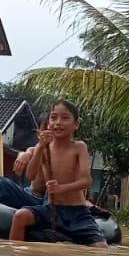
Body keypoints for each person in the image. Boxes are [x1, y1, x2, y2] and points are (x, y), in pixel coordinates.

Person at [10, 100, 106, 248]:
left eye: (65, 118)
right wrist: (40, 147)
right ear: (48, 123)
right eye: (53, 118)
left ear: (76, 124)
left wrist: (61, 188)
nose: (58, 122)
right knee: (20, 216)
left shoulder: (79, 147)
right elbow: (30, 175)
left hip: (77, 211)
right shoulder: (43, 147)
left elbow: (86, 181)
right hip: (52, 209)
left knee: (101, 247)